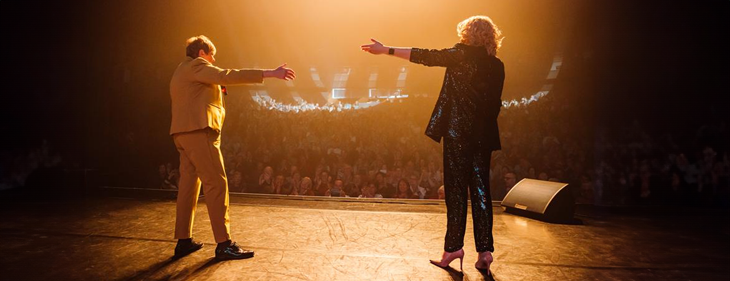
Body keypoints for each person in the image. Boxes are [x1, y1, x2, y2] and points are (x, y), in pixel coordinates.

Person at [362, 15, 504, 275]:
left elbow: (425, 56)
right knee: (482, 192)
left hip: (458, 134)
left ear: (468, 34)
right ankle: (485, 252)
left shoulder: (460, 55)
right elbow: (495, 104)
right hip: (482, 136)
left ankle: (453, 249)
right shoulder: (497, 66)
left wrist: (387, 50)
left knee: (457, 192)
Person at [169, 35, 295, 261]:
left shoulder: (181, 70)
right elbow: (226, 74)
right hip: (199, 132)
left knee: (188, 187)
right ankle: (224, 244)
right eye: (211, 54)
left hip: (182, 134)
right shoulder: (198, 66)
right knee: (216, 183)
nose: (213, 59)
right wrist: (269, 73)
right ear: (201, 53)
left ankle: (183, 240)